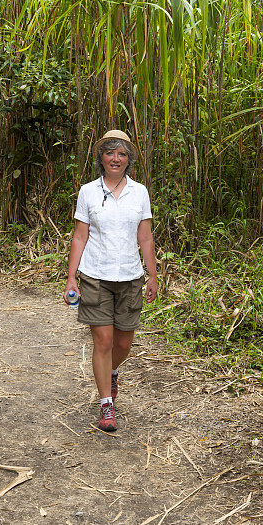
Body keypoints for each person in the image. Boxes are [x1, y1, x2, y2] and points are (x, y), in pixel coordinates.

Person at [63, 130, 158, 432]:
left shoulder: (139, 192)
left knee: (123, 342)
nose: (115, 158)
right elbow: (80, 236)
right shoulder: (88, 191)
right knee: (102, 341)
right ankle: (106, 404)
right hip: (95, 275)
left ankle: (112, 371)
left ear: (129, 160)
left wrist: (153, 274)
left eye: (122, 154)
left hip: (130, 276)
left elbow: (145, 236)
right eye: (110, 153)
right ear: (101, 158)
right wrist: (71, 278)